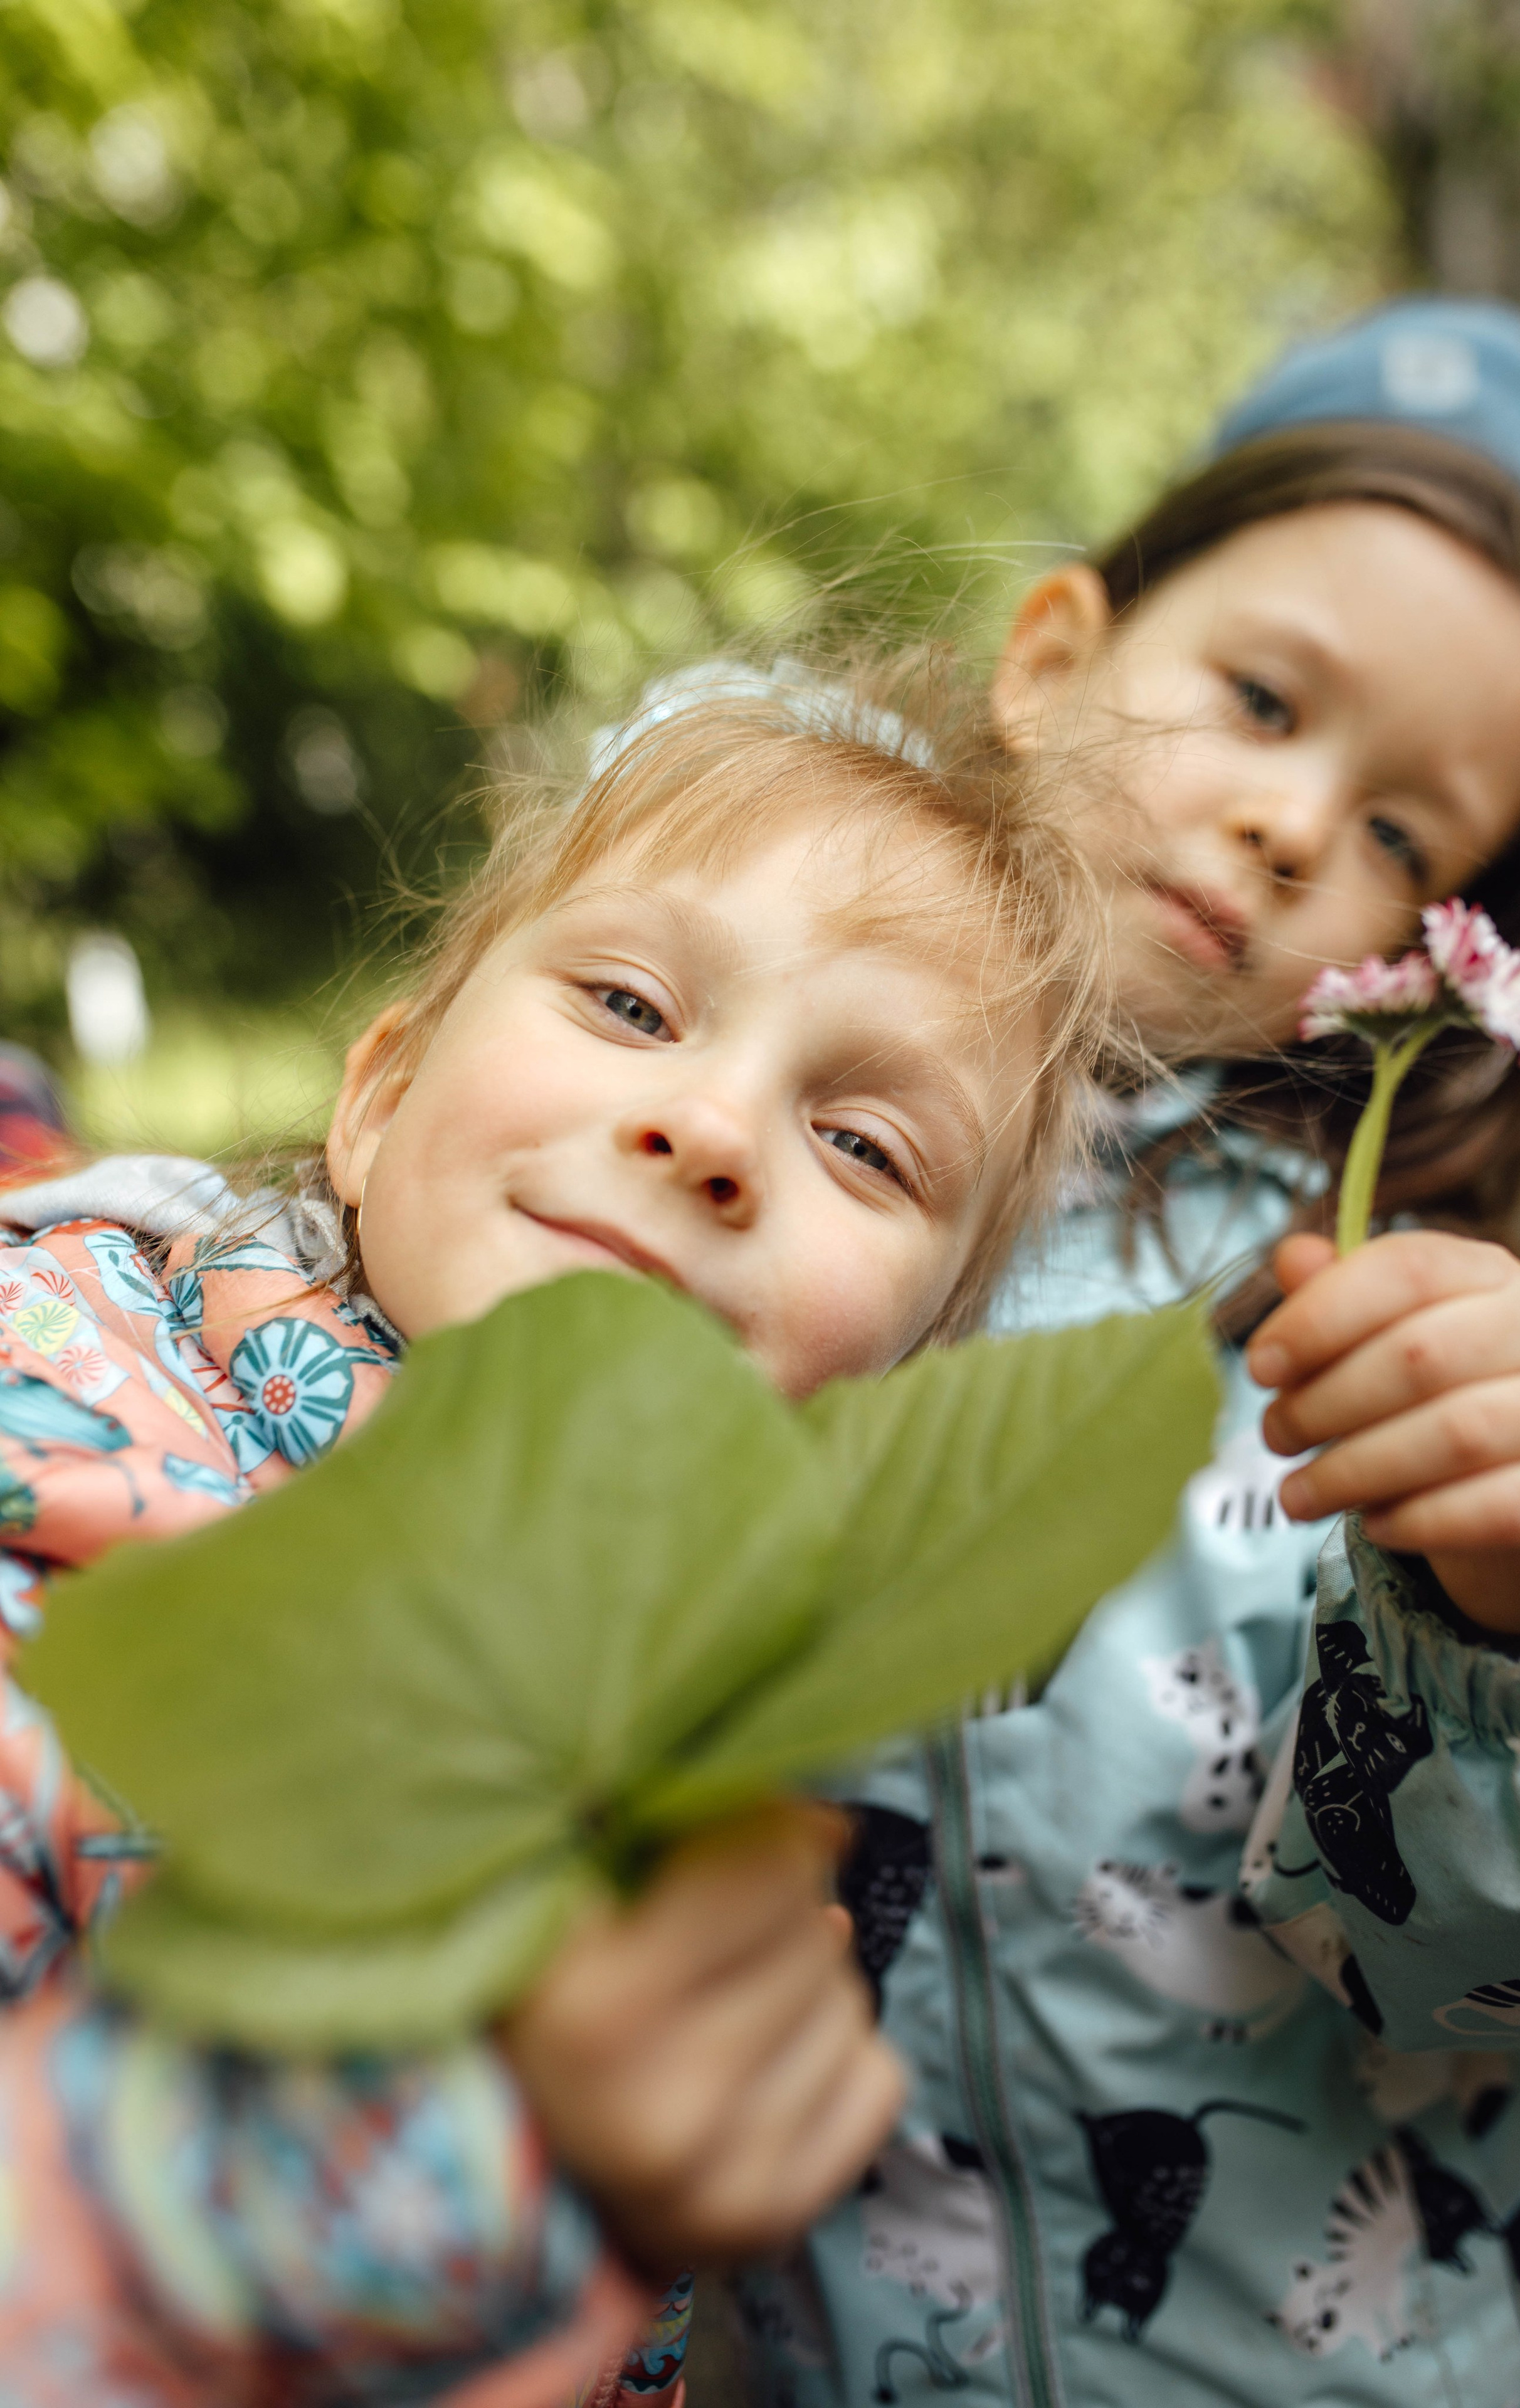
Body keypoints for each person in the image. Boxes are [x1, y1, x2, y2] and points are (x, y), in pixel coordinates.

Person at [0, 653, 1105, 2404]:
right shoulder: (50, 1425)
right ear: (377, 1102)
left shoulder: (688, 1800)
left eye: (868, 1144)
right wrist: (454, 2140)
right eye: (634, 1008)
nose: (713, 1129)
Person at [741, 299, 1520, 2406]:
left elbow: (1483, 1970)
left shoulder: (1380, 1329)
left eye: (1411, 836)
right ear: (1049, 659)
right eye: (1260, 695)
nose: (1303, 829)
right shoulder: (728, 1171)